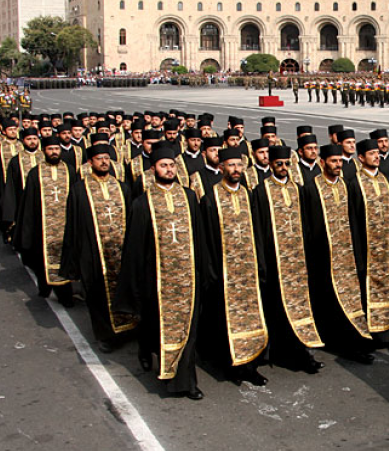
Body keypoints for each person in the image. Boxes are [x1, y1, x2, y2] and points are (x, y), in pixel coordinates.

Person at [114, 145, 210, 400]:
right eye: (163, 165)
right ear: (153, 169)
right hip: (157, 281)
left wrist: (204, 270)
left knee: (188, 332)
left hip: (189, 279)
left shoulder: (189, 197)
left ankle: (185, 382)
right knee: (161, 329)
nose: (169, 169)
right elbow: (135, 248)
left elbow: (200, 236)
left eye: (172, 165)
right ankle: (154, 358)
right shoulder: (143, 203)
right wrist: (136, 285)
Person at [197, 147, 269, 386]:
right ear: (221, 168)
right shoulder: (211, 198)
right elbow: (205, 239)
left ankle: (250, 365)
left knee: (251, 318)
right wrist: (211, 273)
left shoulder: (248, 196)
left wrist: (260, 263)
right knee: (225, 322)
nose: (236, 170)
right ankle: (230, 366)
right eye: (231, 166)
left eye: (239, 165)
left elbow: (257, 231)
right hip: (224, 273)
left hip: (247, 272)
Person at [250, 144, 324, 375]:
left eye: (286, 164)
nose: (283, 168)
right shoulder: (261, 191)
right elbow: (258, 231)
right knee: (277, 310)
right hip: (275, 263)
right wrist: (262, 263)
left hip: (298, 263)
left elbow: (308, 225)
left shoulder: (298, 189)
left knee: (300, 309)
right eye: (279, 164)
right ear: (271, 165)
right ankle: (280, 354)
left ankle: (302, 353)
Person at [300, 143, 375, 364]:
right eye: (333, 161)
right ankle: (333, 341)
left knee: (351, 302)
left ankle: (353, 344)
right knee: (328, 303)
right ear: (322, 162)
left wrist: (359, 256)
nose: (337, 165)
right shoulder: (311, 188)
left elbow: (355, 221)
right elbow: (308, 227)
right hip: (323, 258)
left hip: (348, 257)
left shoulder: (346, 186)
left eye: (340, 161)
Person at [60, 142, 138, 352]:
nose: (104, 162)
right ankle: (106, 336)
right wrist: (75, 257)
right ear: (90, 162)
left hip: (120, 251)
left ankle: (129, 330)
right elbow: (74, 225)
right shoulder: (80, 190)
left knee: (124, 290)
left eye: (107, 158)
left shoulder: (121, 187)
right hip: (94, 253)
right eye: (99, 159)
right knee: (98, 295)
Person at [345, 138, 389, 349]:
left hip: (388, 249)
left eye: (377, 153)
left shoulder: (386, 181)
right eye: (371, 153)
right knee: (368, 293)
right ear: (361, 158)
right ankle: (372, 336)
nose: (376, 156)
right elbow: (353, 220)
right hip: (368, 250)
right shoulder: (354, 184)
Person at [11, 134, 76, 305]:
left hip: (65, 226)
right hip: (43, 225)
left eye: (56, 149)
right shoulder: (35, 173)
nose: (54, 152)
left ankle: (65, 296)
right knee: (42, 260)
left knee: (64, 261)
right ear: (44, 151)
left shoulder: (69, 170)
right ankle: (45, 288)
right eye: (50, 149)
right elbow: (29, 203)